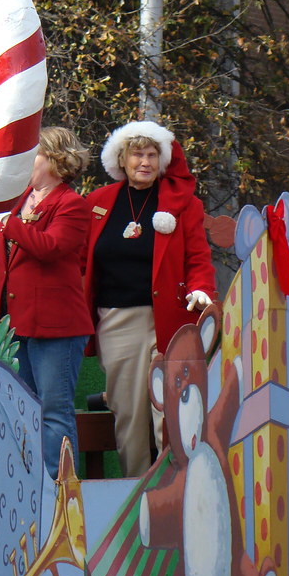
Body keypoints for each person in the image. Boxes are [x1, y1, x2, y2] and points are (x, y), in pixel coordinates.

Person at [84, 121, 217, 477]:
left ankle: (176, 494)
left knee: (170, 412)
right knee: (127, 413)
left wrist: (201, 288)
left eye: (152, 154)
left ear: (162, 159)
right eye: (137, 154)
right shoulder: (97, 203)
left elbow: (198, 259)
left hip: (170, 320)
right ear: (121, 160)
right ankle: (135, 495)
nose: (145, 161)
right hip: (115, 320)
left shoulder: (182, 203)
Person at [0, 126, 93, 478]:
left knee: (54, 410)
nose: (25, 164)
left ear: (55, 160)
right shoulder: (18, 204)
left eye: (32, 155)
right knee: (23, 409)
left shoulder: (73, 205)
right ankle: (29, 486)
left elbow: (51, 248)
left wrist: (9, 224)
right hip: (15, 325)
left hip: (56, 328)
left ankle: (58, 491)